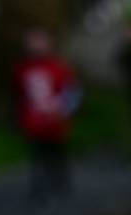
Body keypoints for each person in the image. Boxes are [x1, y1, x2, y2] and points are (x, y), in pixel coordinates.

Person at [12, 27, 80, 198]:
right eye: (32, 41)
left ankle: (61, 182)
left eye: (39, 41)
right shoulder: (22, 69)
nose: (35, 45)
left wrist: (63, 110)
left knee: (57, 151)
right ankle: (39, 186)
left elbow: (71, 91)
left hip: (55, 119)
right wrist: (20, 117)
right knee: (37, 153)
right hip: (33, 121)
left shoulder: (58, 67)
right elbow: (18, 95)